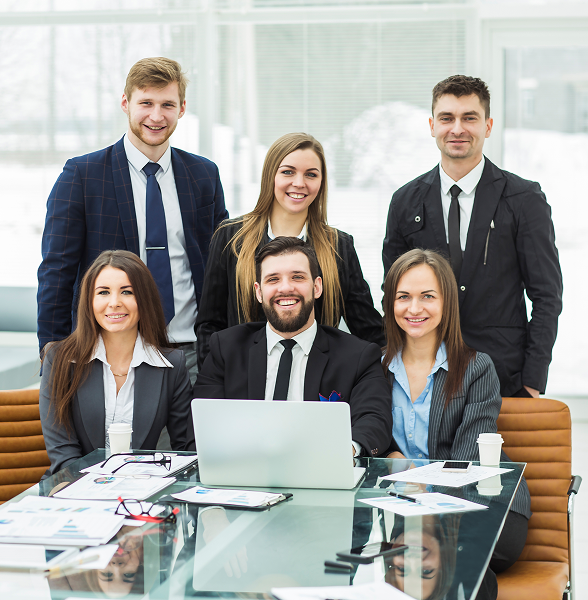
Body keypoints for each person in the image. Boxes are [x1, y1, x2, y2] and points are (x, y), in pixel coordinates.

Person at [37, 57, 228, 382]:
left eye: (167, 104)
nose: (156, 116)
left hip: (192, 352)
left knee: (193, 435)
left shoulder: (203, 175)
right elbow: (57, 270)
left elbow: (220, 266)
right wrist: (52, 351)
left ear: (182, 108)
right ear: (126, 103)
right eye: (146, 103)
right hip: (110, 350)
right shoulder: (83, 176)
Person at [382, 74, 562, 398]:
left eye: (470, 118)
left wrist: (532, 381)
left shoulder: (523, 198)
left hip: (503, 377)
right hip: (425, 379)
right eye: (447, 118)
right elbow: (393, 292)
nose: (457, 129)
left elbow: (547, 296)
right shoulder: (404, 201)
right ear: (432, 125)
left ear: (488, 126)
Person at [382, 248, 531, 600]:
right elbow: (371, 438)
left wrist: (417, 493)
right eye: (403, 297)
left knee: (461, 559)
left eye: (427, 297)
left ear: (447, 302)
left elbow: (466, 463)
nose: (414, 309)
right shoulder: (374, 367)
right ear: (390, 303)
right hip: (408, 506)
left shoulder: (477, 368)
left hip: (481, 505)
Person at [195, 132, 384, 369]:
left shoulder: (339, 246)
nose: (299, 183)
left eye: (311, 175)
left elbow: (368, 331)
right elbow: (209, 326)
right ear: (270, 176)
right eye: (288, 172)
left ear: (321, 182)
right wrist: (215, 388)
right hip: (242, 385)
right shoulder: (231, 237)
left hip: (315, 385)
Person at [193, 237, 394, 458]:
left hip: (321, 476)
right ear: (259, 292)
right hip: (242, 477)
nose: (286, 288)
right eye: (273, 279)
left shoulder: (358, 356)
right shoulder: (226, 348)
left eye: (297, 277)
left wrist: (345, 451)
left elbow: (374, 419)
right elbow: (201, 423)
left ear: (317, 287)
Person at [40, 250, 193, 475]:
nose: (114, 303)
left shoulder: (171, 365)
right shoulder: (59, 359)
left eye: (127, 292)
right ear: (89, 301)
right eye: (103, 292)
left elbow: (186, 449)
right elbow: (63, 454)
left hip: (141, 491)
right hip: (75, 488)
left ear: (144, 299)